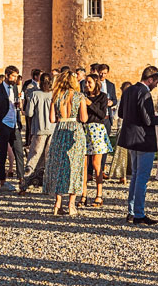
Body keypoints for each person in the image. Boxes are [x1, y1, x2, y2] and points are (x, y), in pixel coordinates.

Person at [117, 67, 158, 224]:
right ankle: (139, 214)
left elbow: (120, 114)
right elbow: (148, 120)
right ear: (150, 79)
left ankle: (132, 211)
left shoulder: (128, 90)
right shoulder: (144, 93)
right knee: (142, 178)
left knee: (135, 176)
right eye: (157, 82)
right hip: (143, 140)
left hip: (131, 138)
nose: (157, 85)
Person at [43, 70, 88, 215]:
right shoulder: (79, 96)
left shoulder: (56, 96)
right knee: (74, 167)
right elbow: (84, 118)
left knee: (58, 165)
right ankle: (71, 205)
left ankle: (57, 204)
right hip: (74, 130)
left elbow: (51, 119)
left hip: (60, 129)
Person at [0, 66, 27, 193]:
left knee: (19, 152)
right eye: (13, 76)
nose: (15, 79)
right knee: (2, 154)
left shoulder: (15, 88)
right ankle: (2, 181)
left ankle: (21, 180)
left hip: (14, 124)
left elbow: (16, 105)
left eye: (16, 76)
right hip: (3, 124)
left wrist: (18, 109)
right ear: (6, 75)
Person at [82, 75, 112, 207]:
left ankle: (99, 195)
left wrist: (90, 104)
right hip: (84, 130)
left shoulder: (103, 97)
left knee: (96, 165)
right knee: (83, 165)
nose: (87, 85)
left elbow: (102, 114)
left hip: (97, 130)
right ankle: (83, 194)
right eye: (86, 83)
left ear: (95, 83)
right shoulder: (82, 96)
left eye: (89, 82)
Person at [23, 72, 55, 188]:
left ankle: (27, 178)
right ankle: (48, 182)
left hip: (39, 129)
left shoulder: (34, 94)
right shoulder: (54, 95)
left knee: (34, 155)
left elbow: (29, 113)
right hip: (52, 129)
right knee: (49, 155)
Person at [106, 80, 133, 184]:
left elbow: (117, 116)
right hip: (132, 129)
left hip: (122, 128)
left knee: (121, 154)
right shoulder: (135, 100)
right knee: (130, 153)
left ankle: (122, 175)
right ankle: (131, 171)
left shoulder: (122, 100)